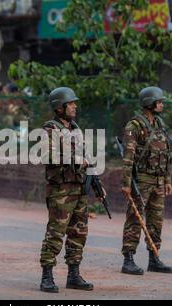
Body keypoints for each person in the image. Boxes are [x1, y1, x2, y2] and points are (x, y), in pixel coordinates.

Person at [39, 87, 105, 293]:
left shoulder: (75, 129)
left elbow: (87, 158)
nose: (75, 106)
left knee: (79, 233)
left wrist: (97, 183)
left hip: (79, 189)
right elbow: (48, 156)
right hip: (61, 190)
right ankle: (47, 276)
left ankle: (73, 275)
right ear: (60, 107)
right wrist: (78, 160)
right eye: (71, 103)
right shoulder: (50, 130)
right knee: (55, 233)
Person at [120, 86, 172, 275]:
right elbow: (128, 157)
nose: (161, 104)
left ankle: (154, 257)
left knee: (156, 221)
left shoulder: (159, 124)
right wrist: (126, 183)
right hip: (141, 180)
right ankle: (128, 259)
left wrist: (167, 179)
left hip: (158, 180)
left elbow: (166, 154)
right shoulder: (134, 126)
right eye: (158, 101)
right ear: (149, 103)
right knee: (135, 218)